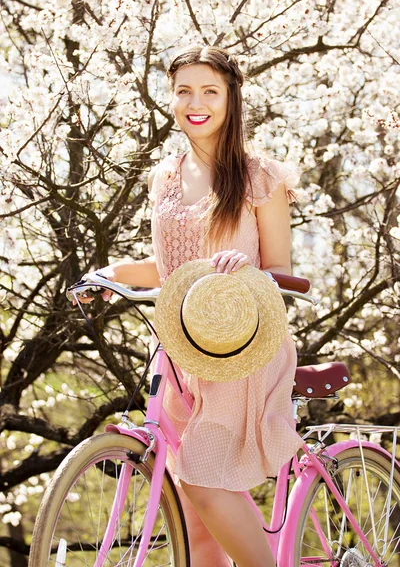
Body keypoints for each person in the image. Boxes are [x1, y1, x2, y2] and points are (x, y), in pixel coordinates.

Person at [76, 45, 303, 567]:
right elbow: (171, 270)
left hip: (238, 350)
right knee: (194, 522)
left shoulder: (257, 176)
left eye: (209, 91)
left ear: (230, 98)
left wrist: (244, 271)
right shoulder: (166, 176)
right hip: (179, 351)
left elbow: (283, 273)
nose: (194, 102)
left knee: (204, 479)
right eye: (183, 91)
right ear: (171, 99)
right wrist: (110, 273)